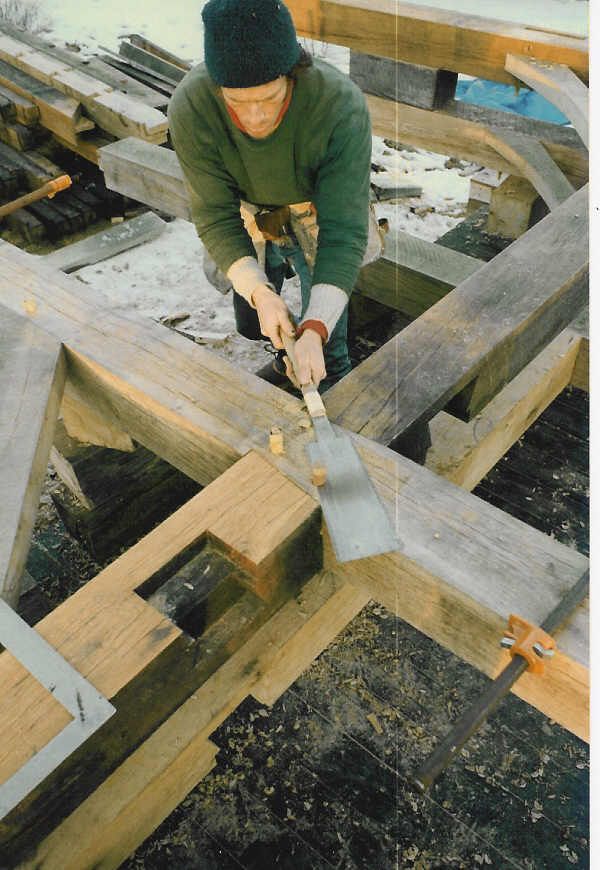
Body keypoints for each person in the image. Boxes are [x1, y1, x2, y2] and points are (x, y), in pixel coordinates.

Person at [168, 0, 382, 393]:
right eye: (237, 102)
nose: (255, 118)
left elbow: (343, 232)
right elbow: (215, 215)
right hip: (250, 211)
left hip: (314, 211)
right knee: (254, 318)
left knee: (327, 336)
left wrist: (315, 327)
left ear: (293, 74)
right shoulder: (192, 106)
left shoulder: (338, 106)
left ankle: (330, 376)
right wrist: (260, 294)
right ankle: (278, 337)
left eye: (269, 99)